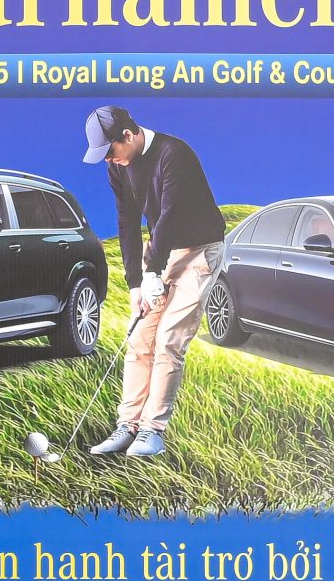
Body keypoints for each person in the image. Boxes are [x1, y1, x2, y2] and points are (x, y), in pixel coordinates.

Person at [80, 105, 228, 459]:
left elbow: (169, 218)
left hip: (200, 250)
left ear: (128, 135)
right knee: (139, 339)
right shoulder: (118, 167)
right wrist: (136, 283)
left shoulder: (175, 154)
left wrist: (152, 273)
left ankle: (152, 431)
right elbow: (127, 222)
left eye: (111, 151)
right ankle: (127, 425)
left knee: (168, 340)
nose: (109, 160)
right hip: (161, 251)